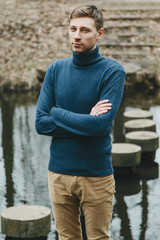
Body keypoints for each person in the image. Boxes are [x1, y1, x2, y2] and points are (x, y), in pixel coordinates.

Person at [35, 5, 125, 240]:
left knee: (98, 238)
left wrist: (57, 112)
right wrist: (85, 120)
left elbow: (100, 126)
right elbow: (41, 124)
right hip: (59, 173)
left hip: (95, 175)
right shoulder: (55, 69)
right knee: (66, 238)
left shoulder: (112, 71)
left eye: (85, 30)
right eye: (73, 29)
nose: (76, 35)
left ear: (99, 34)